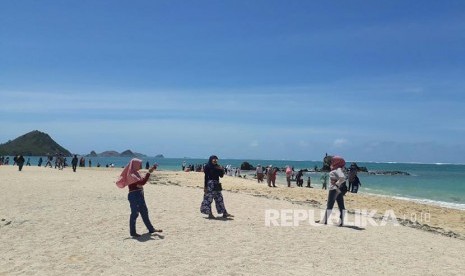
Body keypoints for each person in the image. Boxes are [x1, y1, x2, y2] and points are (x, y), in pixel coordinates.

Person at [116, 158, 162, 238]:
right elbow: (142, 182)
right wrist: (149, 172)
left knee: (144, 212)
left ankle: (151, 229)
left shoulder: (136, 173)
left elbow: (141, 183)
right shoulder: (131, 174)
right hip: (134, 195)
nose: (141, 165)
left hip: (139, 194)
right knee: (135, 213)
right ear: (135, 164)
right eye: (139, 164)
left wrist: (151, 170)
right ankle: (133, 232)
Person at [322, 156, 347, 226]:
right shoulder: (338, 169)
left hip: (334, 189)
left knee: (329, 205)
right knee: (341, 205)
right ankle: (341, 222)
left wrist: (336, 184)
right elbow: (342, 178)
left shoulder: (337, 169)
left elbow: (342, 178)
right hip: (338, 190)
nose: (331, 162)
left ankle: (324, 221)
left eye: (332, 161)